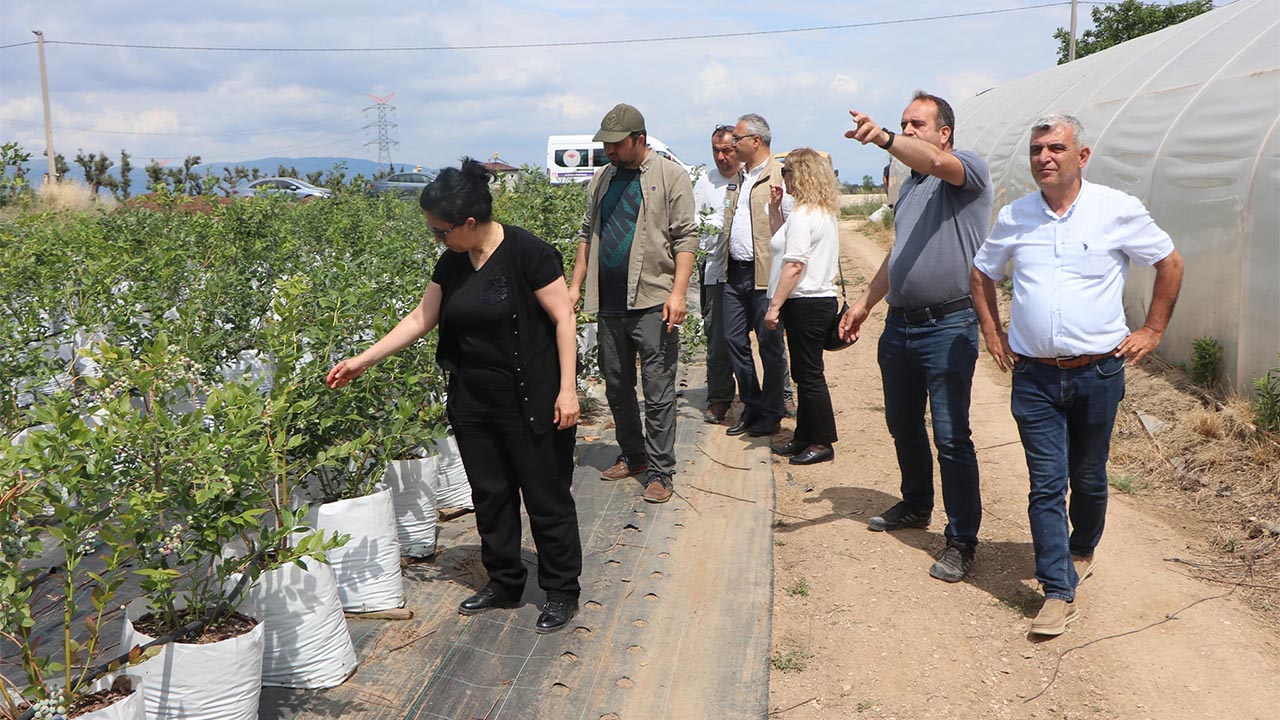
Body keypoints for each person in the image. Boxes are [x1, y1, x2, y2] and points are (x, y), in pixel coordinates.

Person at [326, 158, 583, 633]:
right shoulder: (453, 261)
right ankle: (505, 581)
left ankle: (562, 590)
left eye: (440, 231)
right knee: (491, 496)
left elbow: (564, 317)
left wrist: (568, 390)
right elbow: (422, 318)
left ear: (469, 222)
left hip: (533, 399)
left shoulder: (530, 253)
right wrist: (363, 359)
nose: (437, 240)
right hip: (474, 402)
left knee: (546, 498)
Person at [971, 113, 1184, 636]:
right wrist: (994, 335)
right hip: (1035, 377)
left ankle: (1082, 545)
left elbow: (1170, 263)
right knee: (1047, 484)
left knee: (1088, 476)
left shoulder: (1116, 210)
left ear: (1081, 156)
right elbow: (980, 273)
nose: (1044, 157)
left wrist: (1153, 329)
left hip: (1098, 372)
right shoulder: (1015, 216)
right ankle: (1057, 591)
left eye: (1056, 148)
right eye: (1037, 149)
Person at [841, 91, 993, 583]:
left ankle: (962, 538)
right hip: (901, 325)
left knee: (951, 436)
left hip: (949, 325)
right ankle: (916, 504)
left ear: (943, 133)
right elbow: (898, 253)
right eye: (903, 123)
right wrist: (866, 303)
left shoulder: (963, 170)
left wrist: (884, 137)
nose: (907, 130)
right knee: (902, 422)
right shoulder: (910, 187)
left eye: (916, 124)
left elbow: (931, 160)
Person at [567, 103, 698, 504]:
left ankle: (661, 471)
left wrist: (678, 294)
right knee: (617, 386)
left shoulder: (669, 175)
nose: (608, 151)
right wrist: (575, 286)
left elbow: (686, 238)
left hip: (653, 302)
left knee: (657, 390)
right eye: (604, 144)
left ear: (639, 139)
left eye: (615, 144)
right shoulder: (603, 178)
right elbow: (587, 233)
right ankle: (635, 455)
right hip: (609, 304)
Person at [763, 148, 841, 465]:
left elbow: (793, 265)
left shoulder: (803, 215)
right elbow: (779, 242)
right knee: (805, 372)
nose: (784, 177)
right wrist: (773, 208)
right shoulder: (819, 213)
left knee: (809, 376)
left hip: (806, 303)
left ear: (800, 174)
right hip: (818, 302)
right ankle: (804, 436)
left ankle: (822, 441)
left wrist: (774, 307)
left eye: (787, 172)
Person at [721, 113, 793, 439]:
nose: (731, 144)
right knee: (734, 340)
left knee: (770, 346)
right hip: (734, 273)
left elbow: (791, 225)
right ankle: (752, 405)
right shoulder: (738, 177)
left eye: (736, 138)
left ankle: (772, 412)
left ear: (755, 141)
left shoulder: (779, 176)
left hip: (766, 275)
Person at [694, 124, 742, 424]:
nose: (721, 157)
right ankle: (720, 398)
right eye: (716, 151)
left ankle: (780, 395)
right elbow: (691, 223)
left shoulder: (750, 178)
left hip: (748, 269)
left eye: (726, 150)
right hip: (714, 270)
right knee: (717, 336)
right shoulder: (704, 182)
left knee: (766, 334)